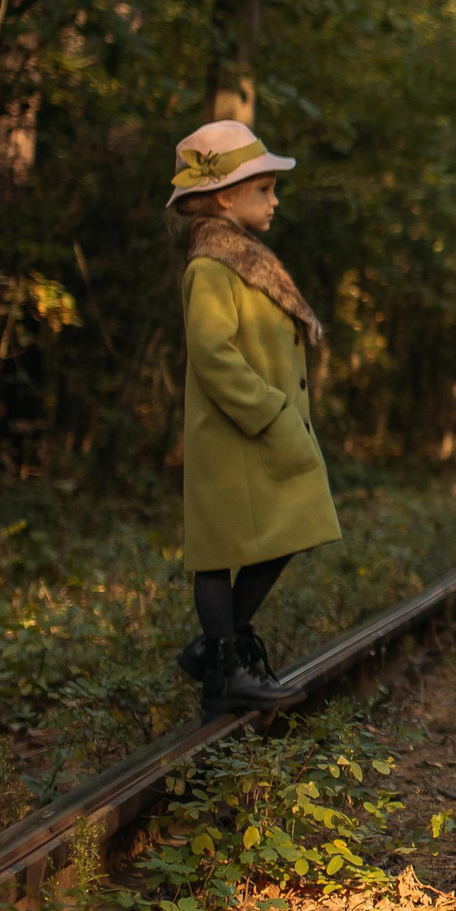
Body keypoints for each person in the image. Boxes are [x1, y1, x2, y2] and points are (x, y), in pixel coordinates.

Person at [166, 120, 341, 717]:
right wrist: (270, 410)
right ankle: (224, 669)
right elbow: (213, 355)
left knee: (293, 523)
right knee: (218, 551)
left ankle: (219, 651)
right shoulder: (210, 268)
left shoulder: (240, 260)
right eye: (263, 189)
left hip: (258, 429)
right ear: (224, 198)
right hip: (235, 432)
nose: (274, 200)